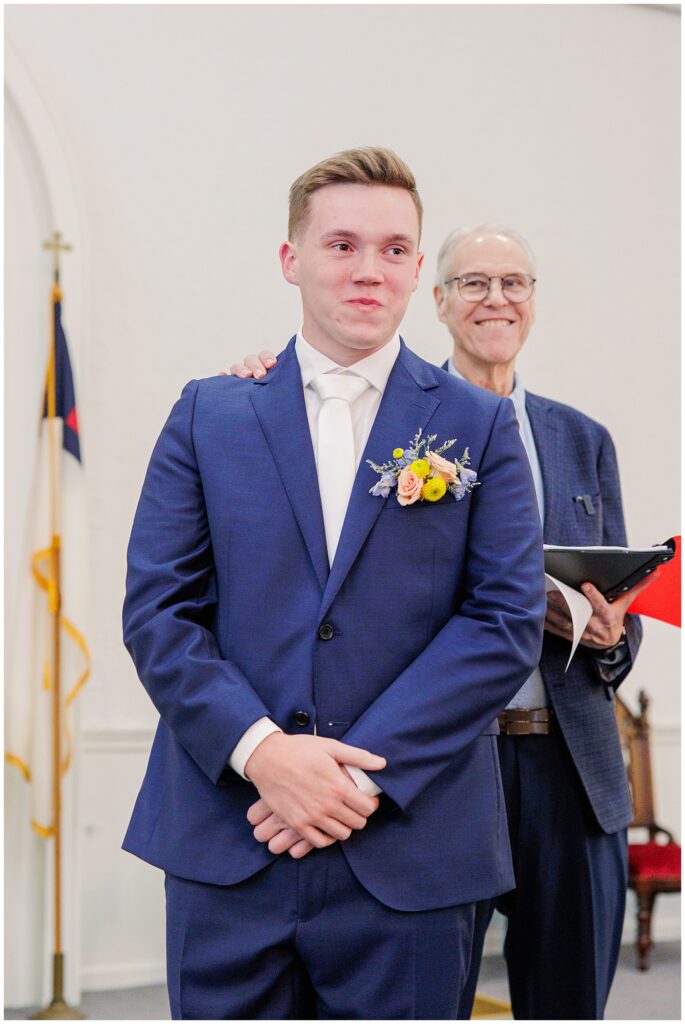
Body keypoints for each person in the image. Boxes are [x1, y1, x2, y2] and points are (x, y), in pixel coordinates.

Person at [123, 150, 546, 1020]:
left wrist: (352, 782)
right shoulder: (209, 412)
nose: (368, 269)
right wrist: (264, 753)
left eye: (394, 249)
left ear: (416, 267)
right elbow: (160, 611)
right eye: (342, 244)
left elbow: (501, 620)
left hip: (410, 845)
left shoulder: (478, 423)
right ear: (292, 260)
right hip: (229, 838)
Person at [232, 223, 652, 1020]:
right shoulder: (388, 415)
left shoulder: (580, 438)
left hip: (573, 764)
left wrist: (609, 636)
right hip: (446, 760)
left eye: (514, 283)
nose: (496, 299)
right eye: (473, 283)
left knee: (570, 1000)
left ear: (533, 302)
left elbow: (621, 606)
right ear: (437, 299)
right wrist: (266, 373)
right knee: (429, 994)